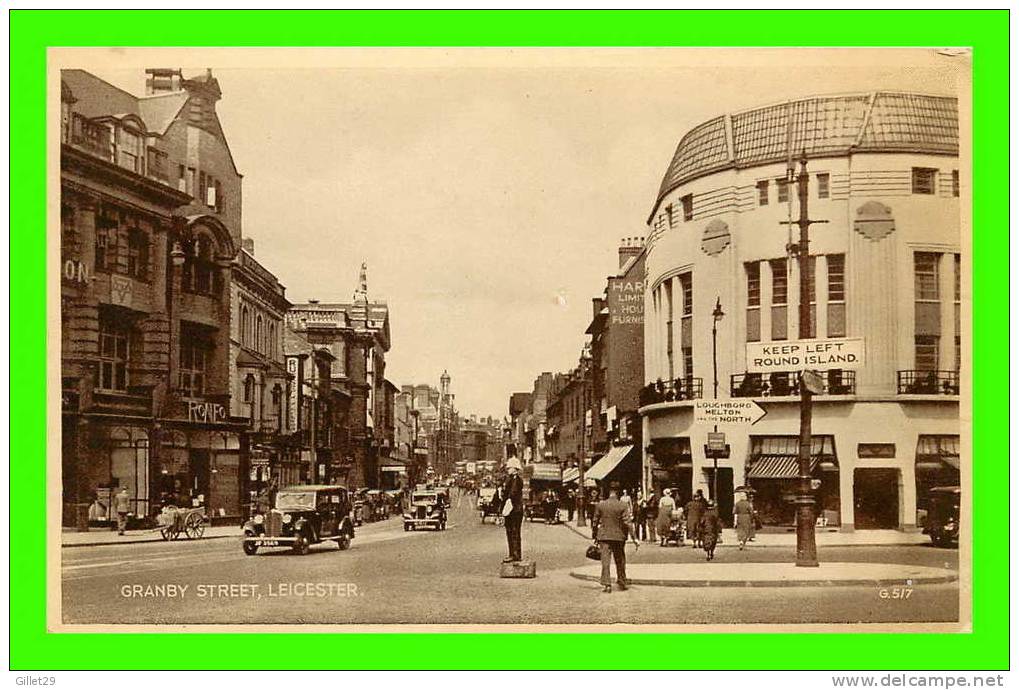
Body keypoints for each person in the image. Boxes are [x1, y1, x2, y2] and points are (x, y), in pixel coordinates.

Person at [591, 481, 637, 593]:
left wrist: (595, 534)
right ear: (619, 492)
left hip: (604, 536)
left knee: (605, 561)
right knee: (620, 560)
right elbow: (628, 522)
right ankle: (622, 581)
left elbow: (595, 521)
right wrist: (634, 537)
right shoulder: (623, 505)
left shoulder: (601, 504)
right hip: (619, 536)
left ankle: (607, 584)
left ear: (608, 492)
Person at [502, 457, 524, 562]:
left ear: (515, 468)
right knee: (511, 532)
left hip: (514, 509)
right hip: (514, 509)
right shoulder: (511, 479)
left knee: (513, 532)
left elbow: (512, 494)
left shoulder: (516, 480)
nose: (508, 469)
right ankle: (514, 554)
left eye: (509, 468)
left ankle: (515, 555)